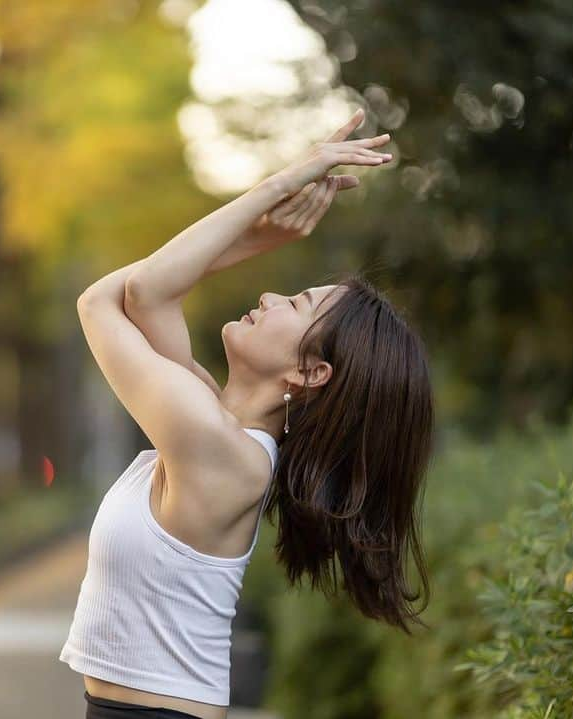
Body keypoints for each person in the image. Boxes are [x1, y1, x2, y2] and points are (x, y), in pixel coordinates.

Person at [59, 108, 435, 719]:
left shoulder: (220, 449)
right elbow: (148, 294)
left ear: (310, 373)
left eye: (295, 302)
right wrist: (266, 233)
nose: (268, 296)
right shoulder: (212, 421)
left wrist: (278, 189)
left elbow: (101, 301)